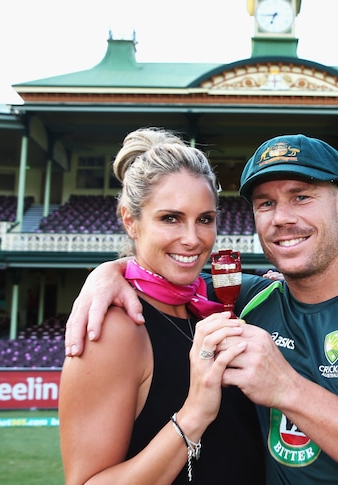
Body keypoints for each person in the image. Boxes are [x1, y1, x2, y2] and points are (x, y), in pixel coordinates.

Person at [66, 134, 338, 484]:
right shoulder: (242, 302)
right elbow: (165, 276)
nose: (281, 218)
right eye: (265, 203)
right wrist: (109, 272)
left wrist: (287, 388)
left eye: (301, 197)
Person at [59, 127, 265, 484]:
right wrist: (194, 414)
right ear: (130, 221)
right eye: (170, 218)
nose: (192, 239)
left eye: (205, 219)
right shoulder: (114, 330)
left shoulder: (214, 305)